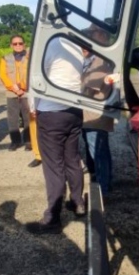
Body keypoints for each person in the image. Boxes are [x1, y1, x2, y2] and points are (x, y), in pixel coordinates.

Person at [25, 36, 87, 234]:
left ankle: (52, 218)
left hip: (52, 113)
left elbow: (35, 79)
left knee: (54, 167)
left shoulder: (46, 44)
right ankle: (77, 203)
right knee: (73, 159)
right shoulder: (75, 46)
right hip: (75, 111)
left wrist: (33, 107)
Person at [80, 26, 117, 194]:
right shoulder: (97, 57)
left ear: (102, 35)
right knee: (98, 149)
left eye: (93, 32)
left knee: (99, 152)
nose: (89, 36)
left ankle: (104, 188)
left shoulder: (102, 59)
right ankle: (104, 181)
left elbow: (91, 84)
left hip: (95, 112)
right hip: (92, 112)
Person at [0, 35, 35, 155]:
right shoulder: (5, 58)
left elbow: (33, 73)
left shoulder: (30, 57)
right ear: (11, 45)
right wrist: (13, 87)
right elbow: (3, 75)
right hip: (11, 92)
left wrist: (22, 87)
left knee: (27, 117)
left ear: (24, 44)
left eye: (20, 43)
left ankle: (28, 140)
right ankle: (15, 141)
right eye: (15, 44)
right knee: (12, 118)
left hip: (26, 92)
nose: (18, 46)